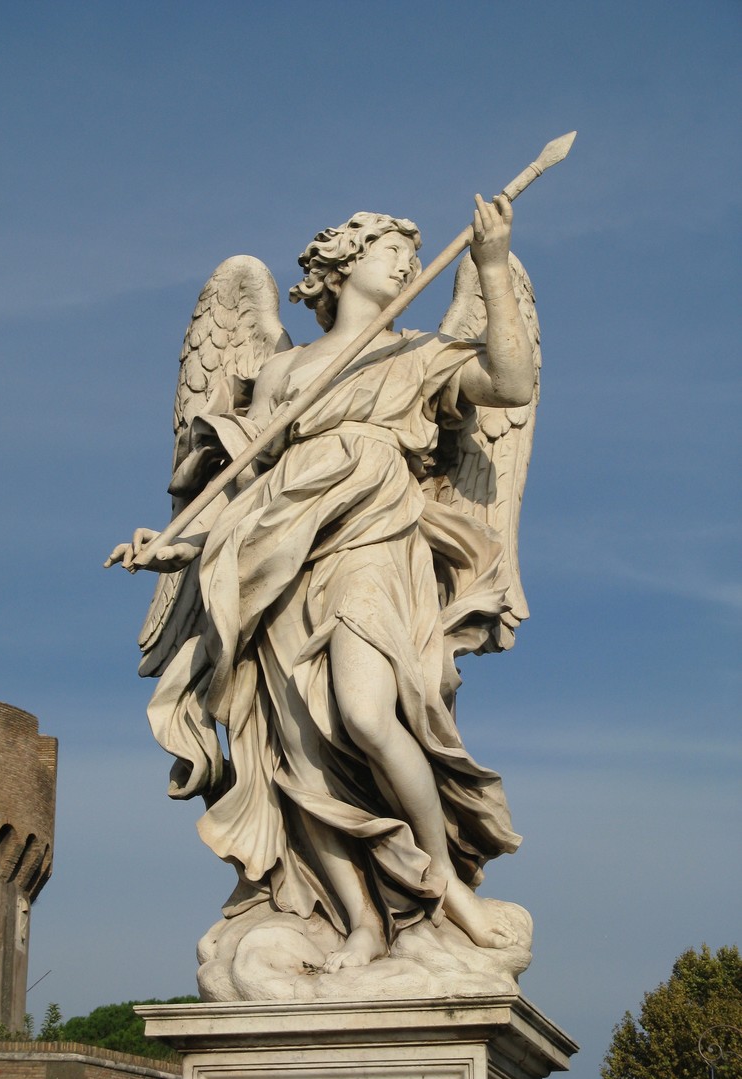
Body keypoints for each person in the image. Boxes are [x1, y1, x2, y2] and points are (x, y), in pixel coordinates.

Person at [107, 195, 535, 971]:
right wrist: (178, 545)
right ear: (343, 266)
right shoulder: (282, 371)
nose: (407, 263)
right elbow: (242, 486)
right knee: (296, 751)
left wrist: (494, 267)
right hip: (278, 556)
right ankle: (361, 917)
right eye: (390, 251)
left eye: (412, 254)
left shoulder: (418, 353)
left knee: (367, 712)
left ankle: (444, 884)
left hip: (372, 538)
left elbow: (510, 382)